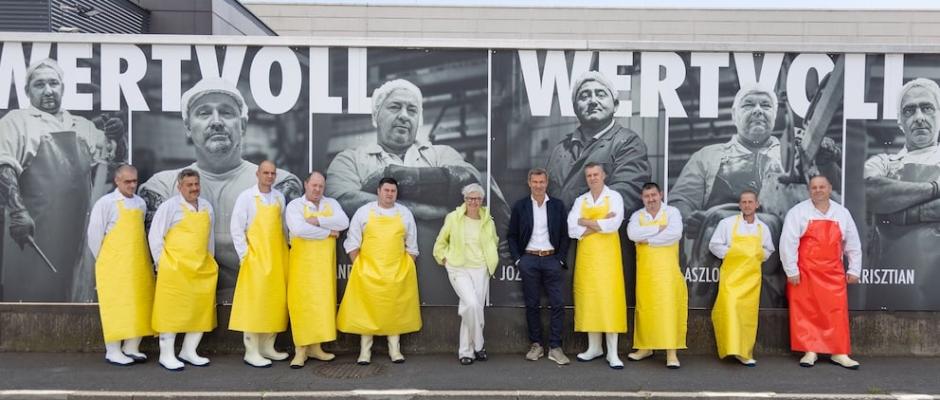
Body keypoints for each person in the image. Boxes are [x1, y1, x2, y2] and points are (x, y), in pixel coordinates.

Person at [325, 78, 512, 298]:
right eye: (395, 107)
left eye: (412, 110)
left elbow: (470, 182)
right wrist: (427, 209)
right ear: (376, 116)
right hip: (376, 281)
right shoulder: (350, 160)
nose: (404, 115)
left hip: (440, 283)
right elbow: (342, 201)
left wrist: (384, 196)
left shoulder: (442, 154)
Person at [668, 83, 840, 307]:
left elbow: (833, 200)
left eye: (766, 105)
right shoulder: (707, 157)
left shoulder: (798, 153)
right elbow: (679, 202)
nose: (758, 110)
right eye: (749, 104)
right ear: (734, 115)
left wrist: (827, 164)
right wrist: (691, 220)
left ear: (775, 115)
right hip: (720, 269)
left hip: (780, 274)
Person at [138, 78, 301, 301]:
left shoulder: (280, 184)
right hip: (186, 311)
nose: (216, 122)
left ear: (242, 125)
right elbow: (151, 261)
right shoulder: (162, 187)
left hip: (259, 310)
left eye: (226, 112)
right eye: (204, 113)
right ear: (187, 127)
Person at [0, 58, 124, 301]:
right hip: (33, 231)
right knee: (32, 301)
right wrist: (17, 213)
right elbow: (4, 165)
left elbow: (112, 164)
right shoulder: (16, 121)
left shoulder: (83, 126)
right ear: (27, 91)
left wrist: (117, 138)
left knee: (74, 295)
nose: (48, 90)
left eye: (53, 83)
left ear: (62, 88)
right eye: (39, 85)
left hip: (78, 233)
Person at [864, 77, 940, 307]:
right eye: (909, 110)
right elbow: (868, 192)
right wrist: (934, 189)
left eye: (927, 108)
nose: (919, 117)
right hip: (892, 280)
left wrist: (897, 214)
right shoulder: (884, 162)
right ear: (900, 121)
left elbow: (881, 199)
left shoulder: (884, 169)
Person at [780, 175, 863, 369]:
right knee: (806, 311)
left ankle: (839, 352)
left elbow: (853, 243)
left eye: (822, 187)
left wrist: (854, 269)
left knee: (836, 311)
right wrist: (791, 270)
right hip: (805, 272)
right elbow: (788, 243)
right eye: (814, 187)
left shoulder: (842, 213)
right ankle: (810, 351)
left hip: (833, 273)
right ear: (809, 190)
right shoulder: (798, 212)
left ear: (829, 188)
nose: (818, 190)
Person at [337, 177, 421, 365]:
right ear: (378, 191)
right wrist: (360, 266)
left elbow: (412, 246)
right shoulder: (364, 212)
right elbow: (352, 242)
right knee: (367, 311)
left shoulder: (405, 213)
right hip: (368, 272)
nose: (389, 194)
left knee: (394, 311)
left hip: (396, 272)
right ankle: (364, 352)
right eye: (386, 190)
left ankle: (395, 350)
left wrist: (406, 267)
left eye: (393, 191)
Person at [545, 70, 651, 211]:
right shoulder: (560, 149)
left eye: (601, 95)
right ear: (575, 108)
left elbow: (624, 197)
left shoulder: (629, 143)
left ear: (616, 105)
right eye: (584, 96)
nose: (593, 101)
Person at [148, 169, 219, 371]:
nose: (194, 188)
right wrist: (161, 263)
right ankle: (166, 355)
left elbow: (209, 236)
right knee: (171, 311)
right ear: (180, 187)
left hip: (201, 268)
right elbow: (155, 237)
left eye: (196, 184)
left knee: (200, 310)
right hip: (175, 269)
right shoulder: (169, 207)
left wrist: (210, 260)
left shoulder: (206, 207)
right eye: (189, 185)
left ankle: (189, 351)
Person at [86, 164, 154, 366]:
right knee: (115, 306)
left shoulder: (140, 204)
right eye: (127, 182)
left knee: (139, 304)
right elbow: (94, 235)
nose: (132, 185)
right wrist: (106, 260)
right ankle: (113, 350)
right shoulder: (105, 203)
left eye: (135, 181)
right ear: (117, 181)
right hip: (113, 265)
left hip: (138, 264)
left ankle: (131, 346)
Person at [228, 160, 290, 368]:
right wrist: (246, 256)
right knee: (254, 304)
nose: (269, 176)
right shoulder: (246, 197)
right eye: (266, 173)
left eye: (273, 173)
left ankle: (267, 347)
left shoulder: (279, 197)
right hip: (255, 259)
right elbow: (236, 228)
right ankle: (251, 351)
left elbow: (283, 228)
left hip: (277, 258)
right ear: (257, 174)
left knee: (274, 303)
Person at [507, 168, 571, 365]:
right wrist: (519, 260)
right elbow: (512, 236)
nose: (538, 185)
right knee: (532, 305)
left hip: (552, 259)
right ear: (529, 183)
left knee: (558, 304)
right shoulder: (521, 206)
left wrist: (559, 259)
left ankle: (555, 347)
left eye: (541, 182)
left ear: (547, 183)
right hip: (530, 260)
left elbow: (564, 235)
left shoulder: (558, 206)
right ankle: (536, 345)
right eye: (534, 182)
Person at [285, 171, 349, 369]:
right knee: (302, 305)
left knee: (321, 305)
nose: (317, 189)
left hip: (323, 267)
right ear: (306, 184)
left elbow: (344, 222)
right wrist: (328, 231)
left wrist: (318, 221)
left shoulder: (332, 204)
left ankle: (316, 347)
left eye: (321, 186)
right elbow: (299, 229)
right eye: (314, 185)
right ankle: (300, 350)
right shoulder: (295, 206)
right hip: (302, 267)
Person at [566, 162, 626, 369]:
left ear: (604, 175)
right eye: (589, 175)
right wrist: (600, 222)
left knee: (610, 301)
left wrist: (586, 221)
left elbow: (613, 225)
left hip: (609, 260)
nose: (592, 178)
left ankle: (613, 353)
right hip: (587, 260)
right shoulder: (580, 200)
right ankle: (594, 348)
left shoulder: (615, 197)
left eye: (596, 174)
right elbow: (571, 229)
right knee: (590, 300)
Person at [433, 183, 499, 366]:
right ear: (464, 199)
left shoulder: (488, 221)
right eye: (470, 198)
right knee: (471, 304)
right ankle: (479, 345)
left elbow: (494, 241)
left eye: (477, 198)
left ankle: (466, 352)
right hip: (458, 268)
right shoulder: (453, 218)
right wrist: (444, 259)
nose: (473, 201)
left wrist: (489, 262)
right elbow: (440, 243)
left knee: (473, 309)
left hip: (480, 269)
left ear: (482, 200)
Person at [708, 189, 776, 366]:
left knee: (747, 316)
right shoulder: (727, 224)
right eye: (744, 202)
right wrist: (733, 253)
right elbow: (714, 245)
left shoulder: (763, 228)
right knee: (729, 310)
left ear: (756, 204)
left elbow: (768, 249)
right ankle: (729, 348)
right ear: (739, 205)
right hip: (731, 278)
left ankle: (744, 352)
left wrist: (756, 255)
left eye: (750, 202)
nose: (747, 205)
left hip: (752, 280)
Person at [626, 182, 686, 369]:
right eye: (647, 196)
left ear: (660, 194)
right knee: (646, 309)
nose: (651, 199)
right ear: (642, 198)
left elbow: (674, 234)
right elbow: (632, 234)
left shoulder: (672, 212)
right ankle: (645, 347)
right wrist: (659, 229)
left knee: (668, 309)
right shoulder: (637, 215)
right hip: (645, 273)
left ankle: (671, 353)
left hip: (667, 272)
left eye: (654, 195)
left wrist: (648, 240)